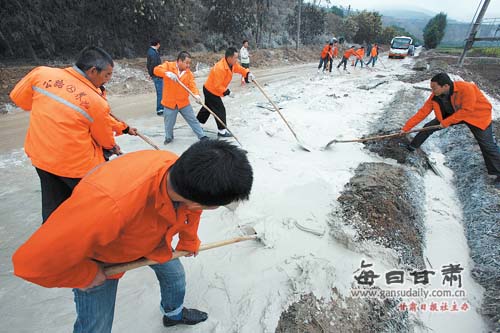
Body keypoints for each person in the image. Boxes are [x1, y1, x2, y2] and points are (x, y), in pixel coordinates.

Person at [12, 139, 254, 332]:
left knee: (175, 277)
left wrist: (188, 239)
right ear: (199, 201)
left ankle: (173, 314)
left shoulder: (181, 172)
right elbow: (30, 263)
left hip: (153, 241)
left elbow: (191, 209)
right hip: (102, 259)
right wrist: (84, 274)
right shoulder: (108, 206)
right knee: (96, 325)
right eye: (214, 206)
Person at [9, 46, 136, 223]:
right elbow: (104, 136)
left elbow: (20, 99)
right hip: (76, 166)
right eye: (106, 75)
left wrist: (123, 127)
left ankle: (51, 241)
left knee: (53, 208)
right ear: (93, 71)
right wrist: (112, 147)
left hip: (42, 157)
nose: (107, 80)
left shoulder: (42, 74)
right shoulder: (94, 100)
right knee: (94, 206)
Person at [401, 73, 500, 189]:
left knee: (487, 145)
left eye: (434, 88)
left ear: (446, 86)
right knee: (429, 126)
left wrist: (446, 122)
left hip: (477, 116)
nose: (432, 90)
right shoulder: (435, 96)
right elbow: (422, 112)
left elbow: (467, 110)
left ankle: (498, 172)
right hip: (454, 114)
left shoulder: (467, 88)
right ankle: (412, 146)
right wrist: (406, 128)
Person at [196, 47, 255, 137]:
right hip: (211, 90)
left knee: (208, 107)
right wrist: (227, 92)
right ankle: (222, 131)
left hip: (211, 88)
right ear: (229, 58)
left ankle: (197, 124)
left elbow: (239, 69)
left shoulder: (232, 64)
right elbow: (217, 85)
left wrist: (247, 73)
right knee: (220, 109)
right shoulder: (220, 68)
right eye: (235, 57)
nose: (237, 59)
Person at [154, 51, 208, 144]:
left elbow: (192, 85)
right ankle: (168, 137)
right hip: (170, 103)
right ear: (179, 61)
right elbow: (156, 70)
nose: (188, 65)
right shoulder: (168, 66)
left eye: (189, 63)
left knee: (193, 120)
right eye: (186, 63)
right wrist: (167, 73)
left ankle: (202, 136)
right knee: (169, 124)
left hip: (183, 103)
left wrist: (196, 95)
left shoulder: (189, 74)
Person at [147, 38, 164, 116]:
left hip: (156, 74)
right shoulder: (153, 53)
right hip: (157, 75)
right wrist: (152, 74)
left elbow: (149, 64)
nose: (160, 45)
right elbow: (153, 64)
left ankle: (162, 107)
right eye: (159, 44)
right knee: (160, 92)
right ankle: (160, 109)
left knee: (161, 91)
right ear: (157, 44)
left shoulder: (151, 51)